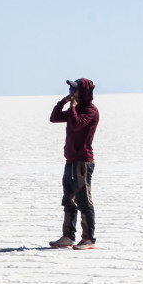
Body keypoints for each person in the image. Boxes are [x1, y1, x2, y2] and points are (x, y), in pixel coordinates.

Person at [49, 77, 99, 249]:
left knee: (83, 199)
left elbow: (77, 125)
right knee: (68, 198)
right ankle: (68, 236)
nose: (71, 93)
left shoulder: (90, 111)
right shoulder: (75, 109)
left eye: (74, 90)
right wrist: (62, 102)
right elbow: (54, 118)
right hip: (70, 160)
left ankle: (88, 238)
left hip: (82, 162)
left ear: (83, 92)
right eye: (70, 90)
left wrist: (72, 107)